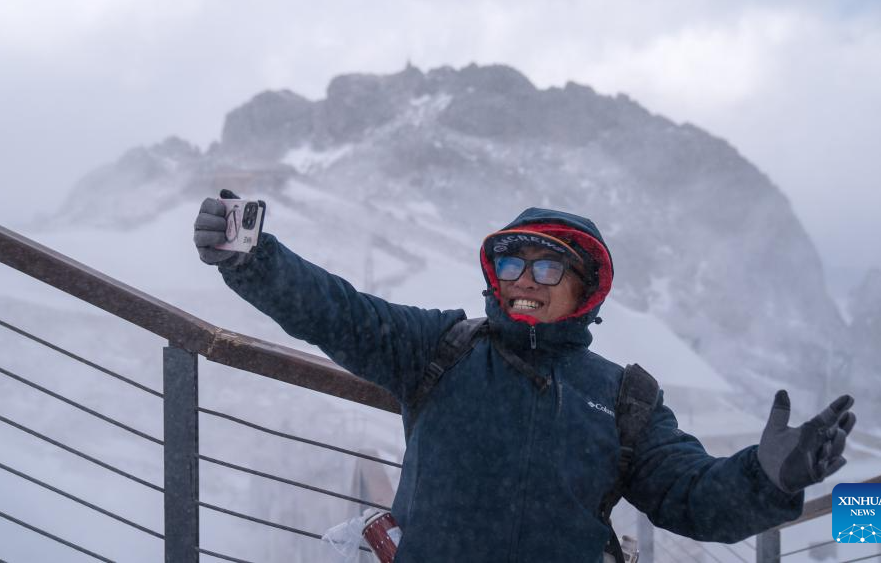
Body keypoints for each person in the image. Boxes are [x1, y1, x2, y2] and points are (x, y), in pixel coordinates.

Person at [194, 197, 856, 562]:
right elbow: (337, 313)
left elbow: (691, 498)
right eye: (511, 261)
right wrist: (253, 258)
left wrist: (766, 478)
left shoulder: (624, 398)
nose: (522, 280)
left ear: (583, 289)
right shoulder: (441, 347)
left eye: (546, 269)